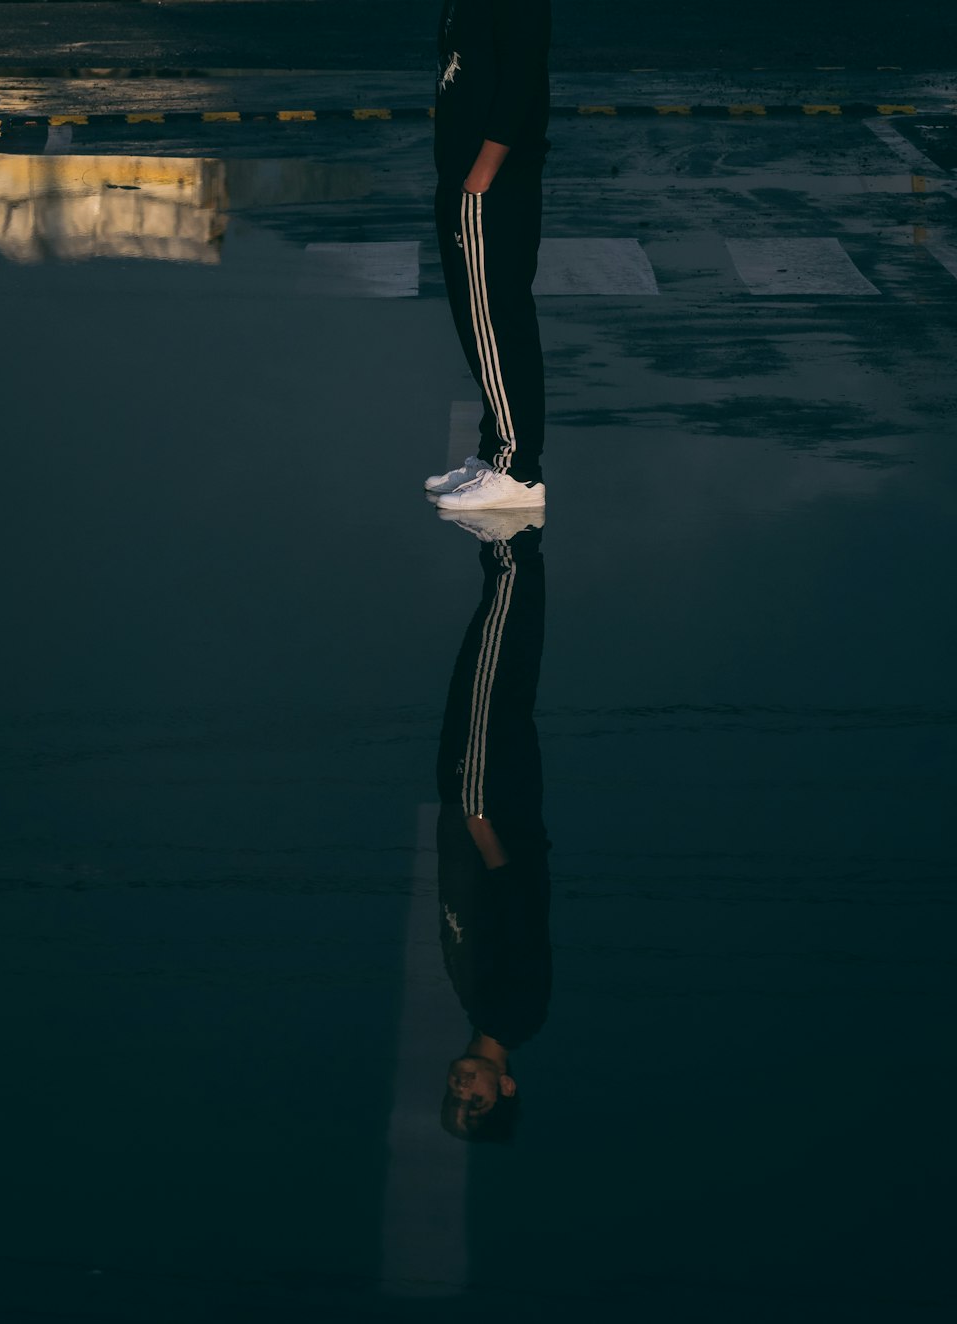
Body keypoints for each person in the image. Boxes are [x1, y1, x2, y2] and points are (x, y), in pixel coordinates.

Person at [434, 509, 551, 1141]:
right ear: (504, 1087)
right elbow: (518, 909)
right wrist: (478, 818)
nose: (461, 1093)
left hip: (475, 806)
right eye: (475, 1104)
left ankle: (513, 548)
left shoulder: (481, 1007)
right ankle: (512, 538)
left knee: (488, 674)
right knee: (493, 671)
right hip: (489, 807)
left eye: (453, 1104)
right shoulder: (516, 1012)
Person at [425, 0, 552, 512]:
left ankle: (517, 471)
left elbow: (523, 79)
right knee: (477, 320)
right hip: (464, 176)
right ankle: (494, 453)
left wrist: (482, 174)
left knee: (497, 322)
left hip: (491, 182)